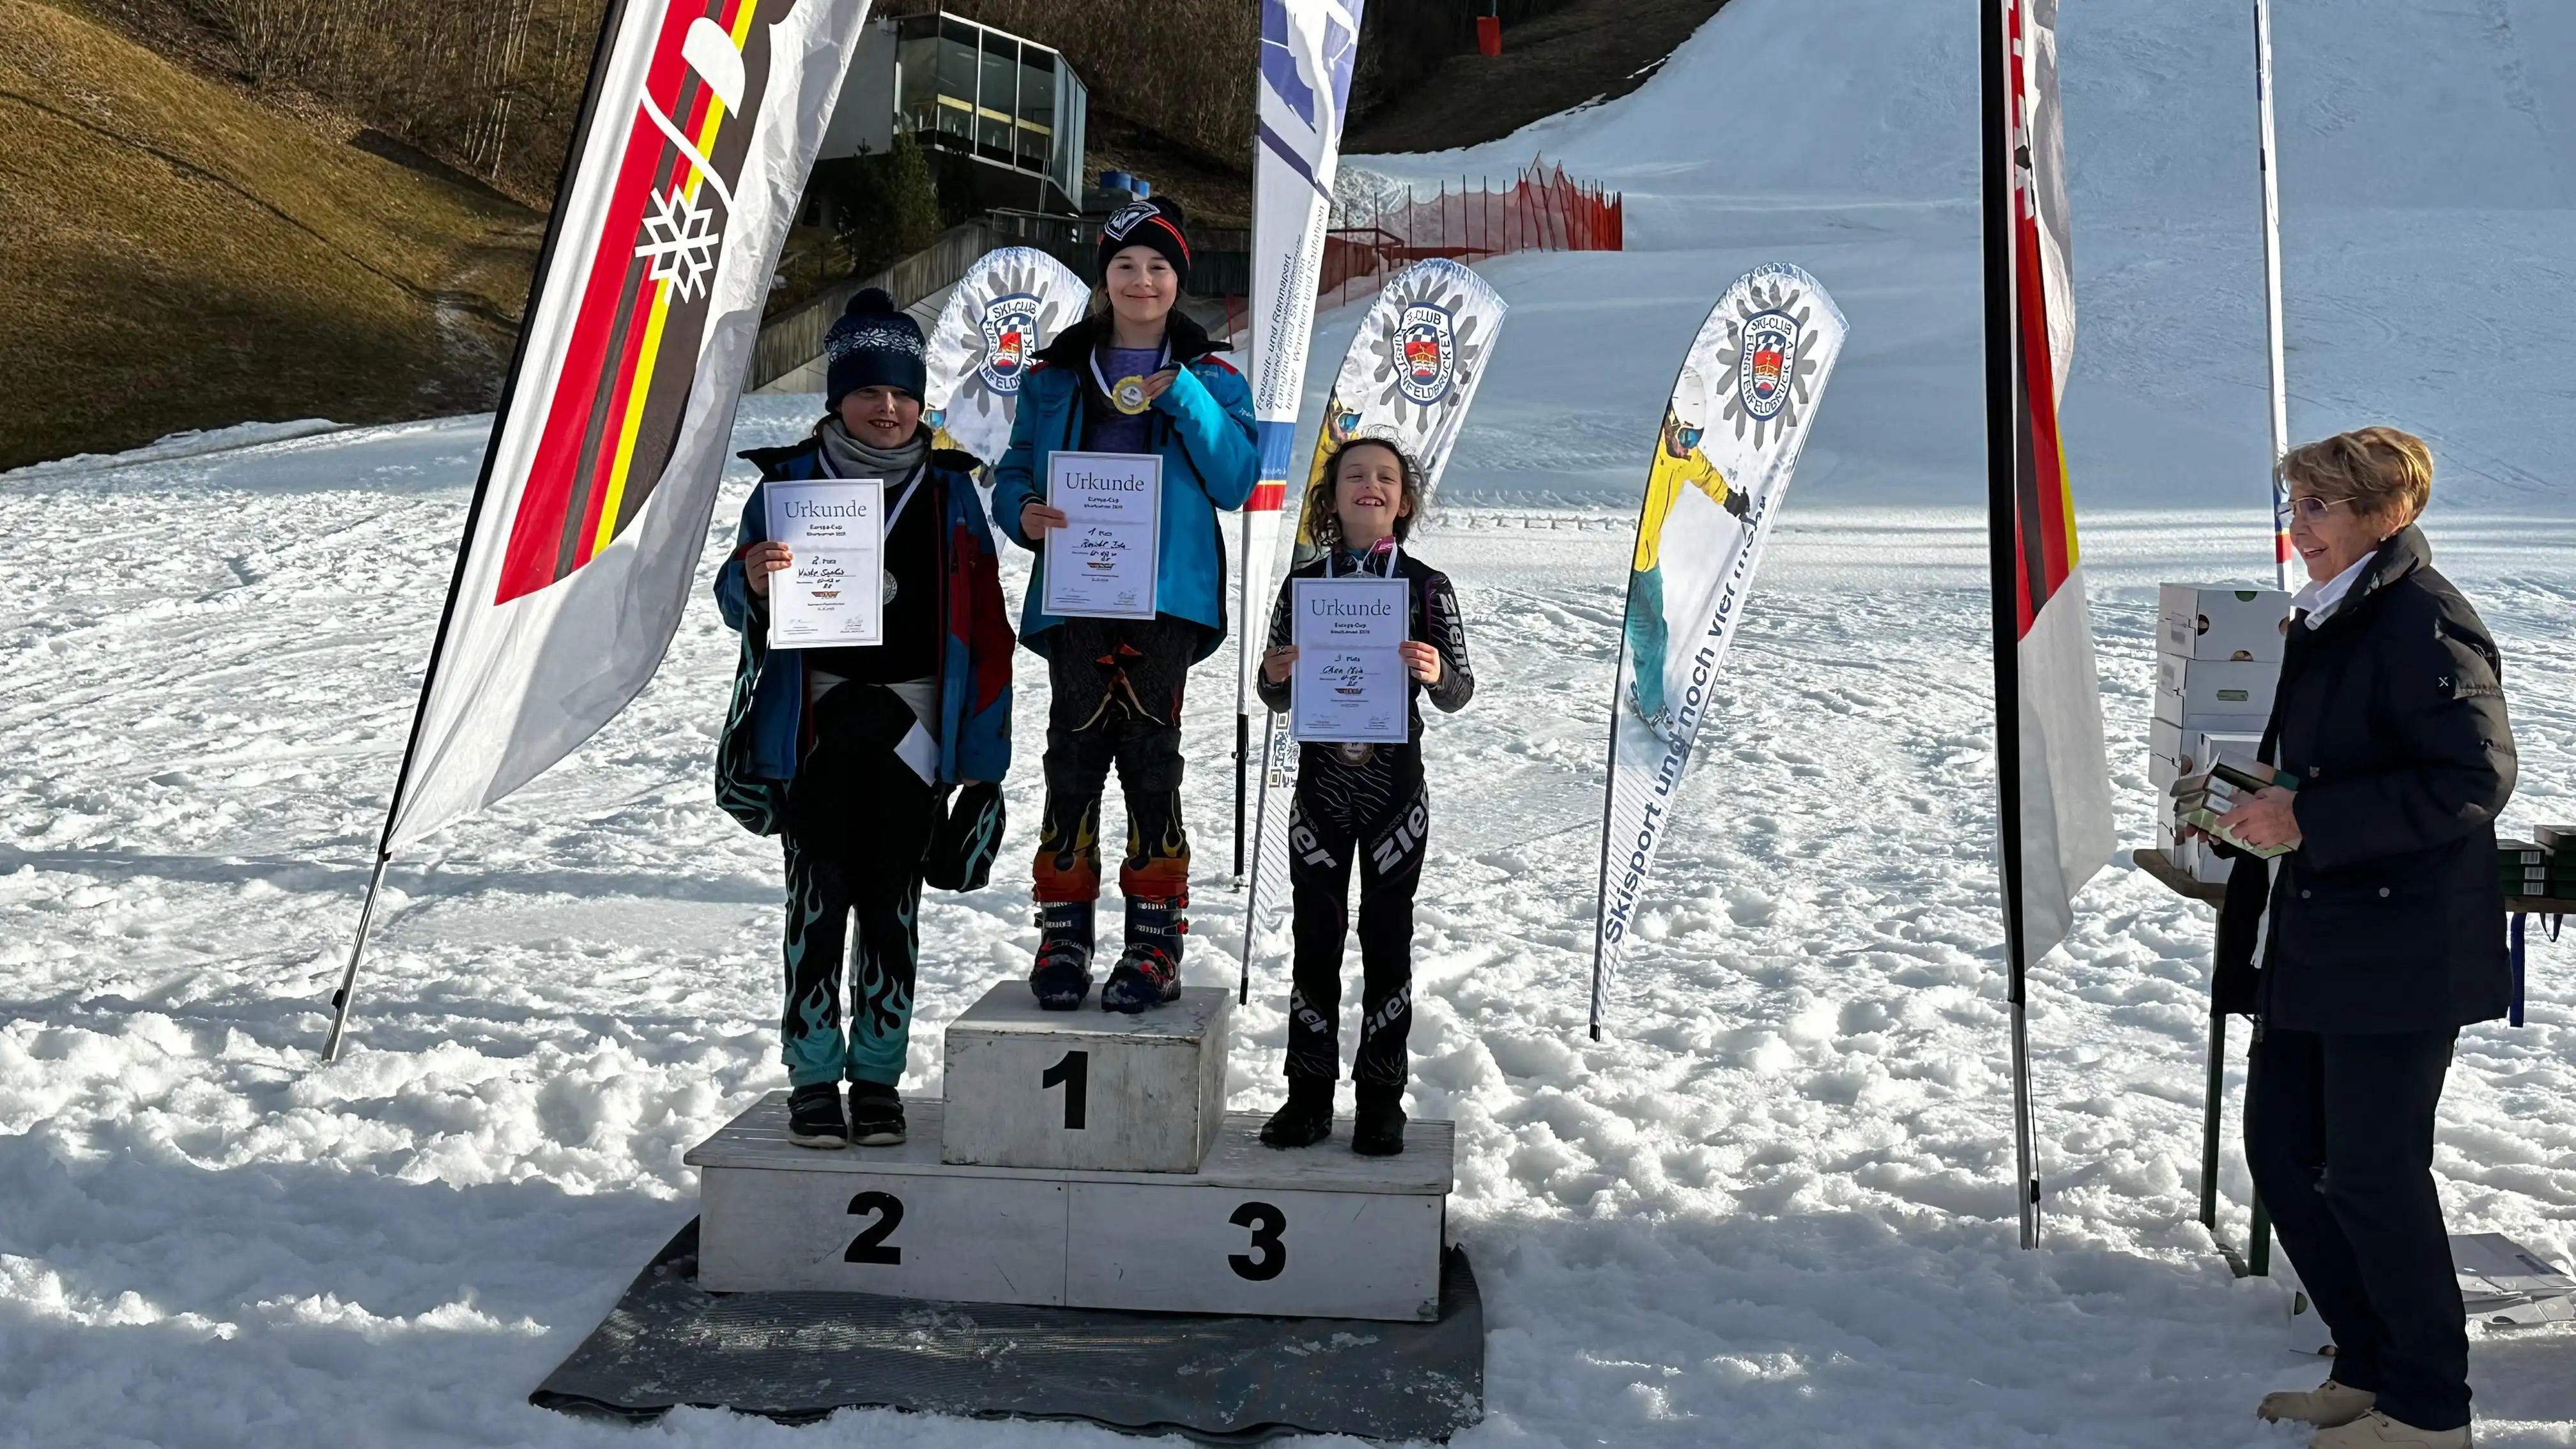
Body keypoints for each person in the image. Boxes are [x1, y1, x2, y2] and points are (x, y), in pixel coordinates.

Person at [2208, 427, 2513, 1449]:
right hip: (2325, 935)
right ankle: (2369, 1363)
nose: (2299, 532)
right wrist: (2275, 795)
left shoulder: (2423, 623)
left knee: (2376, 1176)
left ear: (2390, 512)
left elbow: (2475, 777)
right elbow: (2351, 757)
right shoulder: (2340, 613)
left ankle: (2429, 1413)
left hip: (2400, 950)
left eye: (2320, 510)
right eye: (2294, 508)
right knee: (2287, 1152)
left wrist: (2310, 821)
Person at [713, 288, 1015, 1149]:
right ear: (837, 397)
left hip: (915, 730)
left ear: (924, 401)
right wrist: (756, 581)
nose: (888, 409)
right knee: (817, 902)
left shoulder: (953, 490)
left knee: (892, 903)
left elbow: (985, 629)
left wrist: (982, 760)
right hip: (814, 726)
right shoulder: (791, 484)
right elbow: (735, 600)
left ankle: (878, 1075)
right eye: (869, 391)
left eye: (904, 394)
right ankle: (813, 1073)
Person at [990, 197, 1257, 1014]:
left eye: (1160, 266)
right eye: (1126, 265)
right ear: (1104, 277)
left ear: (1180, 278)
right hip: (1077, 592)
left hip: (1165, 599)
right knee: (1070, 759)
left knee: (1151, 759)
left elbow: (1237, 479)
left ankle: (1155, 941)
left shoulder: (1214, 376)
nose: (1143, 280)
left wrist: (1183, 398)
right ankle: (1063, 932)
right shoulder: (1056, 374)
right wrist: (1023, 514)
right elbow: (1011, 475)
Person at [1252, 437, 1475, 1156]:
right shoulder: (1302, 586)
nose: (1370, 486)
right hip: (1319, 787)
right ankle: (1307, 1095)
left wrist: (1437, 671)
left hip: (1394, 793)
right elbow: (1271, 692)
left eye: (1385, 478)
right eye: (1355, 476)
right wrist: (1276, 671)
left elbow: (1460, 692)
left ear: (1404, 502)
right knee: (1314, 941)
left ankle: (1382, 1098)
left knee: (1388, 943)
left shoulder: (1428, 587)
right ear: (1332, 497)